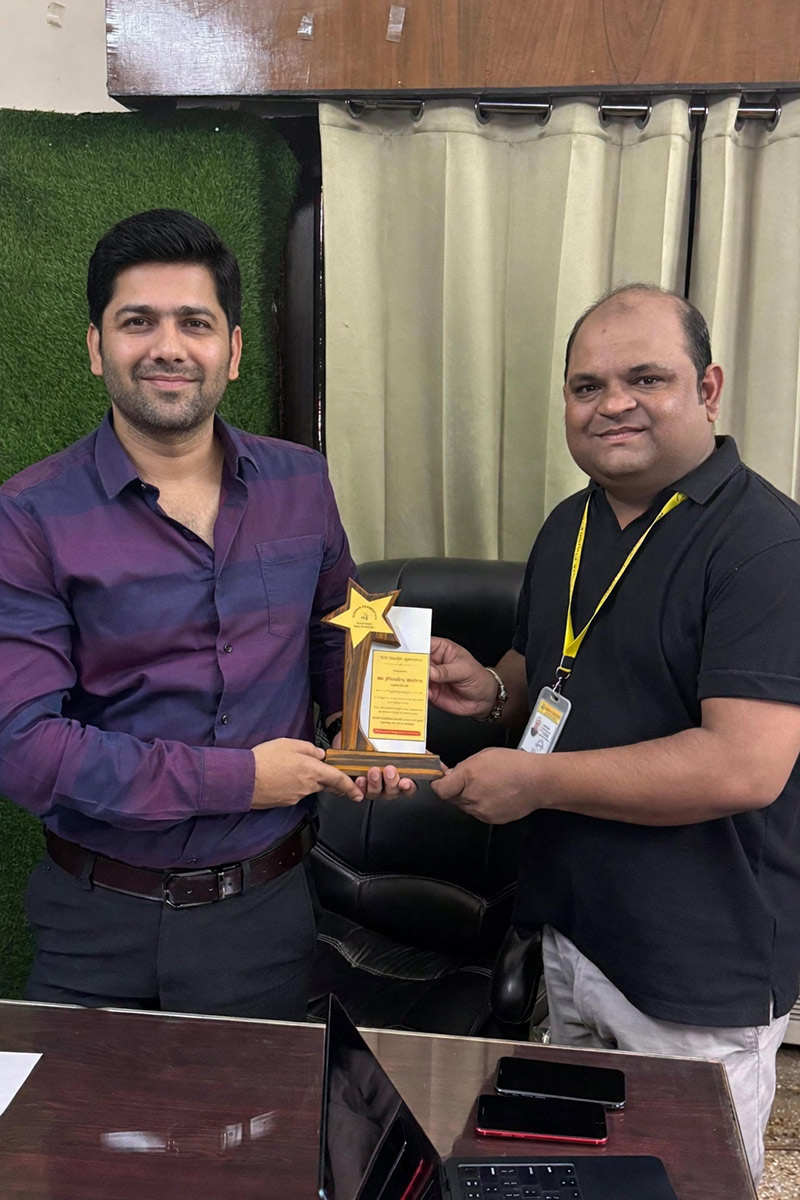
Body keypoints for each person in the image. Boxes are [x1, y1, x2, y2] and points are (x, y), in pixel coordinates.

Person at [428, 283, 800, 1183]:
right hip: (571, 932)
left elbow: (743, 766)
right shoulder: (574, 522)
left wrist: (534, 782)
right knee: (577, 1177)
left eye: (646, 378)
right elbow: (544, 670)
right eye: (587, 386)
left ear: (707, 389)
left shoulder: (765, 546)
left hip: (695, 968)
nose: (613, 404)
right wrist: (490, 692)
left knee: (683, 1182)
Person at [0, 208, 408, 1021]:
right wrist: (243, 780)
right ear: (96, 347)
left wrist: (366, 730)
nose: (169, 347)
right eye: (137, 322)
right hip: (98, 920)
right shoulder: (29, 516)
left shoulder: (300, 482)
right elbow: (25, 750)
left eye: (195, 322)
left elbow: (344, 626)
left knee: (261, 1109)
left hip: (267, 914)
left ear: (233, 349)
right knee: (73, 1110)